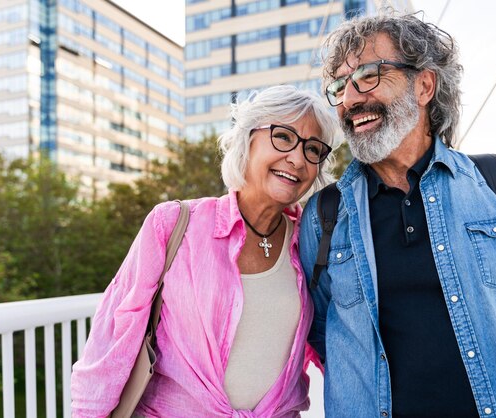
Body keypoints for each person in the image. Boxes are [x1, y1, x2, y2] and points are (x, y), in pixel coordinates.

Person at [299, 12, 496, 418]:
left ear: (425, 85)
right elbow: (326, 332)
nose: (349, 99)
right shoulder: (323, 215)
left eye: (367, 75)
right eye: (340, 87)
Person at [71, 84, 337, 417]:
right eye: (283, 137)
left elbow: (333, 340)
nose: (297, 158)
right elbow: (112, 340)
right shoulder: (173, 224)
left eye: (313, 149)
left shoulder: (312, 241)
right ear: (247, 139)